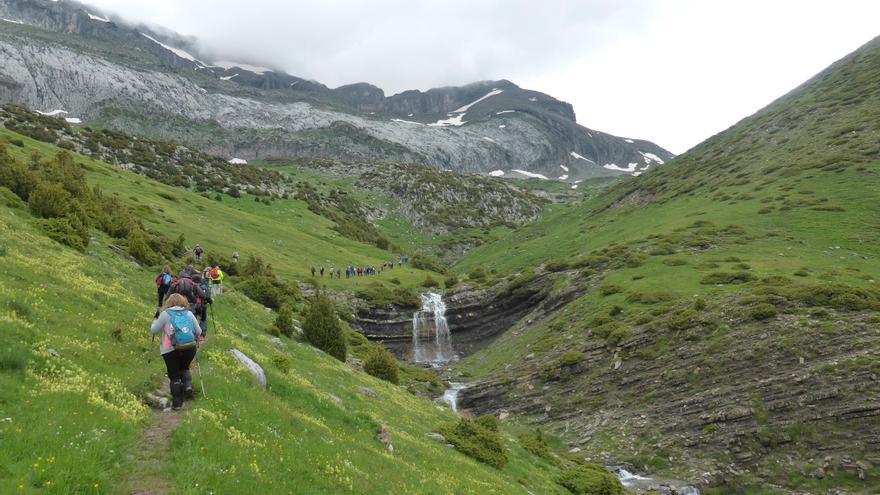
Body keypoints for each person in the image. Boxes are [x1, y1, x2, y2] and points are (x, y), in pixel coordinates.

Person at [150, 293, 202, 410]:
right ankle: (188, 386)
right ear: (183, 302)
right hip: (189, 347)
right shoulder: (189, 313)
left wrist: (155, 319)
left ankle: (177, 404)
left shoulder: (164, 314)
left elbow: (154, 330)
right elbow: (198, 331)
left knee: (174, 376)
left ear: (169, 302)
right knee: (185, 368)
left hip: (170, 349)